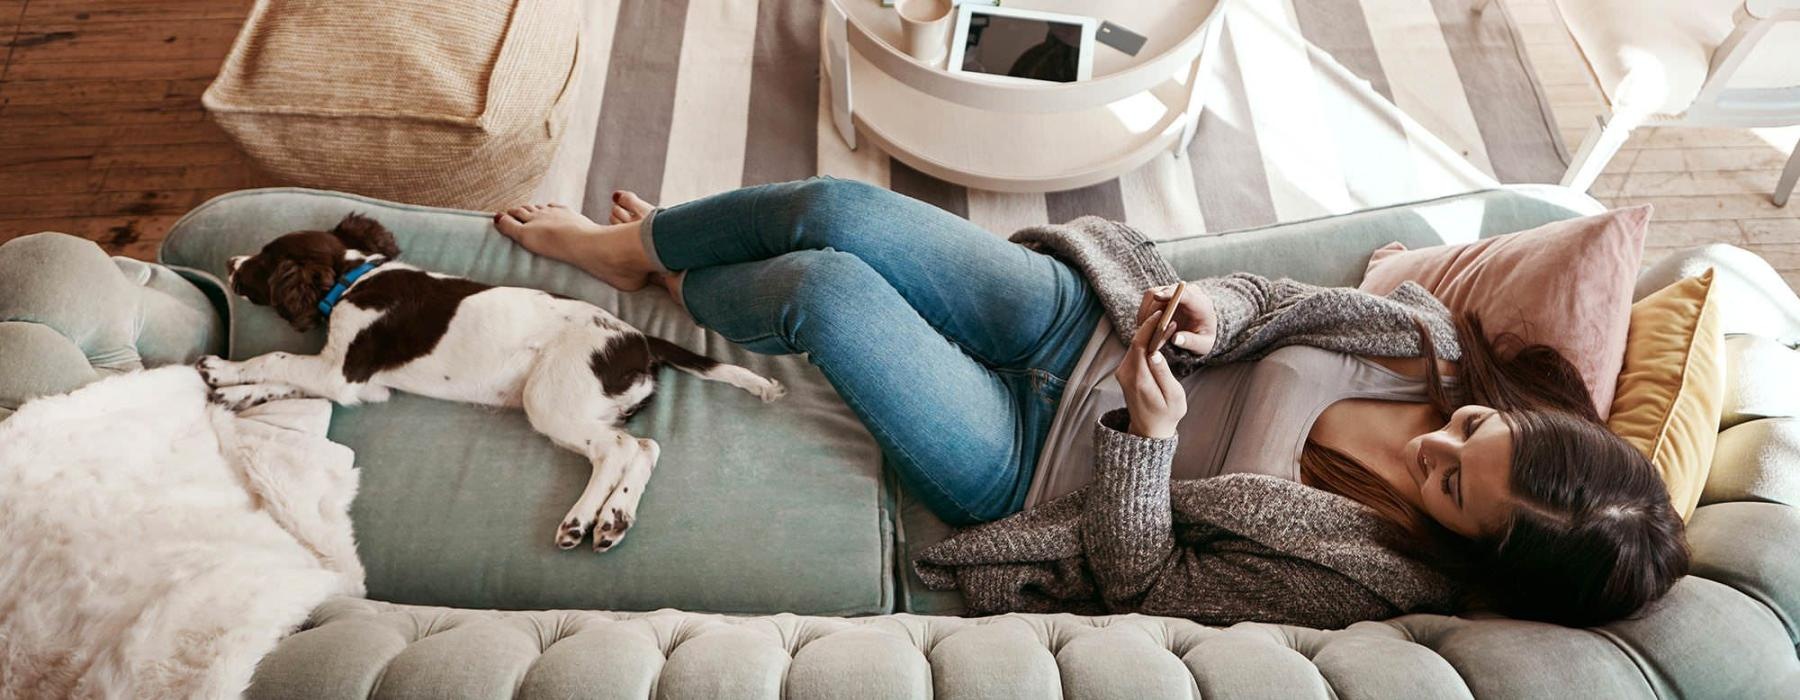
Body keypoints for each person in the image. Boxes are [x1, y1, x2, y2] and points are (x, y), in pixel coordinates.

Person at [493, 177, 1688, 628]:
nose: (1439, 440)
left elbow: (1148, 581)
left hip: (1030, 463)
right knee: (837, 210)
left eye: (1448, 484)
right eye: (1477, 431)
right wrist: (1216, 308)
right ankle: (637, 247)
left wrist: (1149, 441)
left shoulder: (1368, 575)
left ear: (1468, 550)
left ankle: (684, 278)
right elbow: (1274, 300)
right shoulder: (1427, 340)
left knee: (822, 290)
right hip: (1081, 322)